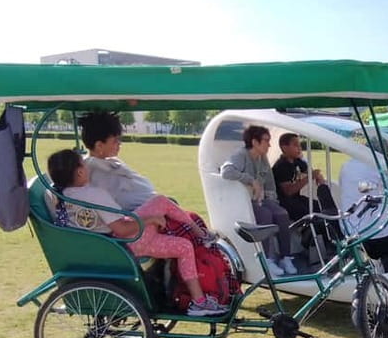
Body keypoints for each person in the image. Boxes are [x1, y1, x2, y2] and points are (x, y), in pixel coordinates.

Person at [78, 111, 237, 304]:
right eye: (115, 140)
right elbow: (120, 211)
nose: (119, 144)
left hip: (140, 221)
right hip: (134, 229)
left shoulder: (107, 166)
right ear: (99, 145)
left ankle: (206, 289)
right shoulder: (94, 175)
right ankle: (201, 290)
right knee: (189, 229)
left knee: (191, 221)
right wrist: (154, 213)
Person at [47, 149, 228, 317]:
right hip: (125, 243)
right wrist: (150, 220)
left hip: (107, 244)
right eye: (83, 164)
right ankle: (201, 239)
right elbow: (121, 229)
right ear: (79, 172)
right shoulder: (93, 195)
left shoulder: (58, 197)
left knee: (170, 220)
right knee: (167, 215)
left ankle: (199, 298)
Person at [221, 125, 296, 277]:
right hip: (245, 202)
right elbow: (226, 171)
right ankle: (267, 260)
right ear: (255, 142)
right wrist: (251, 180)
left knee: (281, 214)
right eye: (266, 141)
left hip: (260, 199)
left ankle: (285, 257)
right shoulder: (241, 155)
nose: (269, 145)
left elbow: (269, 183)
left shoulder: (262, 158)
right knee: (265, 215)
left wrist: (272, 200)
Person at [338, 157, 388, 272]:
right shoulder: (380, 165)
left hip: (349, 229)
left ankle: (382, 270)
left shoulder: (346, 166)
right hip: (374, 232)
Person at [271, 132, 339, 253]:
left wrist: (318, 177)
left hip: (297, 199)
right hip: (284, 202)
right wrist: (308, 177)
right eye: (295, 145)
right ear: (284, 147)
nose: (299, 148)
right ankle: (308, 240)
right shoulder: (280, 166)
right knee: (312, 213)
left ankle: (329, 243)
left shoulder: (297, 162)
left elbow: (310, 170)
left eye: (300, 145)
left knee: (320, 208)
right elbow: (288, 191)